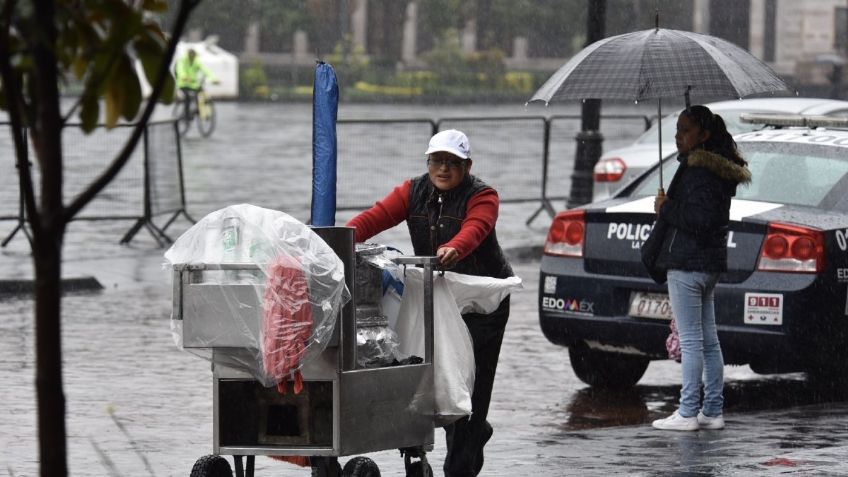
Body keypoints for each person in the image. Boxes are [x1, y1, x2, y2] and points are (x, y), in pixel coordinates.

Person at [346, 129, 514, 476]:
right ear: (428, 162)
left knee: (470, 387)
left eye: (453, 163)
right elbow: (371, 219)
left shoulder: (483, 196)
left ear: (467, 166)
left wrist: (455, 248)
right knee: (434, 376)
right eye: (437, 161)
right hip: (438, 296)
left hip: (483, 302)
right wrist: (337, 241)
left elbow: (475, 229)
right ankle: (462, 435)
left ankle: (463, 457)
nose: (443, 169)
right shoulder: (412, 191)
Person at [650, 105, 751, 432]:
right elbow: (709, 219)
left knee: (693, 341)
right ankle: (712, 411)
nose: (678, 137)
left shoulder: (697, 172)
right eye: (677, 130)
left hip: (687, 263)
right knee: (708, 341)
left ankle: (688, 412)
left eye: (685, 130)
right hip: (708, 264)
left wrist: (666, 209)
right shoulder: (720, 171)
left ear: (703, 135)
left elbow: (699, 220)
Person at [174, 48, 217, 119]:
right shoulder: (182, 61)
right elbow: (180, 70)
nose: (192, 57)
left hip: (194, 84)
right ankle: (187, 114)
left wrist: (213, 79)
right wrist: (184, 76)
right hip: (183, 84)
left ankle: (201, 111)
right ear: (188, 55)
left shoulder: (196, 61)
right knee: (187, 97)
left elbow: (205, 70)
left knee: (201, 93)